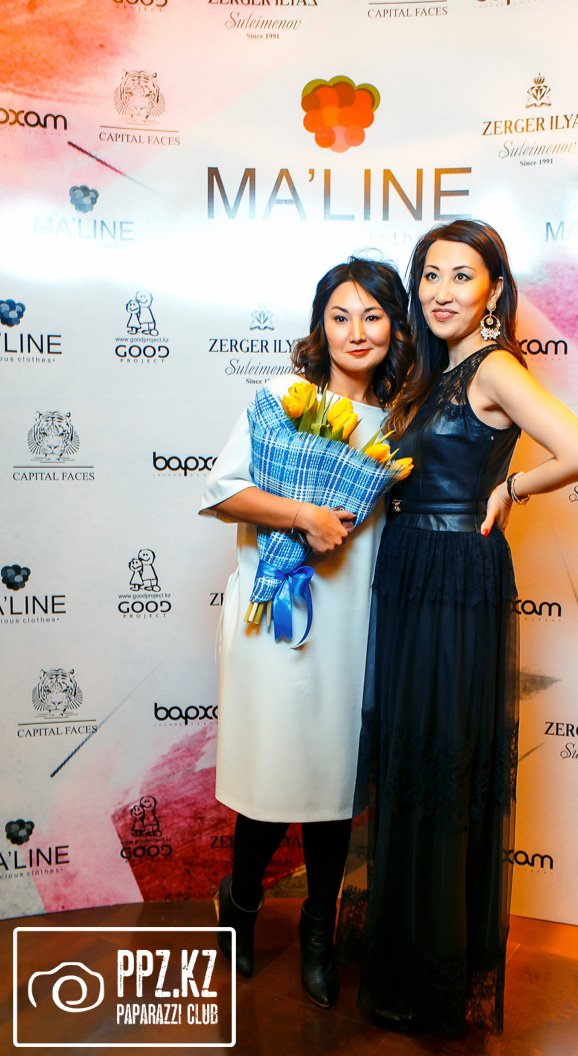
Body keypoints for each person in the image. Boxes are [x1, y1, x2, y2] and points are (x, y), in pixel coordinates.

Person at [345, 220, 578, 1037]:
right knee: (411, 758)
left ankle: (435, 975)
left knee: (443, 763)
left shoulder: (493, 367)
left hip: (458, 578)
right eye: (430, 274)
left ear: (493, 289)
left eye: (461, 275)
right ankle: (403, 951)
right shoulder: (429, 373)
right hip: (410, 573)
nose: (441, 290)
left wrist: (513, 487)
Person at [198, 258, 413, 1010]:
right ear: (320, 325)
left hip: (354, 624)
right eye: (340, 316)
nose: (357, 333)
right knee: (269, 774)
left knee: (333, 778)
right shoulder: (281, 400)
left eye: (373, 317)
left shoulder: (400, 426)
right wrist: (304, 515)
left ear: (395, 327)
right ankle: (242, 903)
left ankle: (320, 932)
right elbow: (223, 491)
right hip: (272, 616)